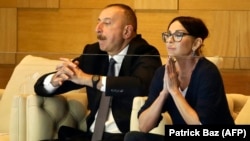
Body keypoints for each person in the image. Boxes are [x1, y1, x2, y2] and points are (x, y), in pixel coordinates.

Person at [34, 3, 162, 141]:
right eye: (98, 22)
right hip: (89, 136)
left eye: (107, 23)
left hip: (122, 137)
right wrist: (55, 79)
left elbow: (139, 86)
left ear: (127, 31)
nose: (98, 29)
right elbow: (40, 87)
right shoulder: (94, 53)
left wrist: (89, 79)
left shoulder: (144, 53)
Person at [124, 16, 234, 141]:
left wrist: (175, 92)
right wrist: (164, 92)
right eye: (168, 35)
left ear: (196, 43)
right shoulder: (163, 73)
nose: (169, 40)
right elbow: (143, 126)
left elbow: (202, 128)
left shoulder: (208, 72)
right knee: (133, 137)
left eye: (178, 35)